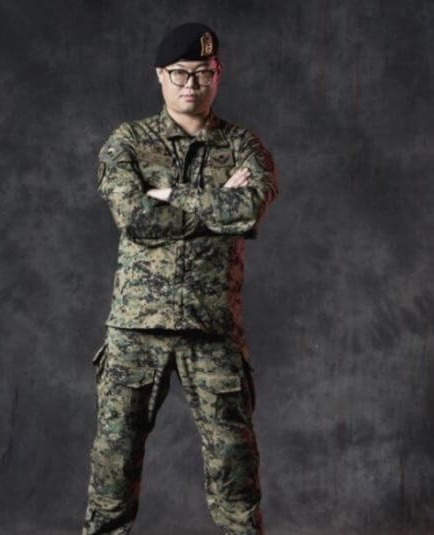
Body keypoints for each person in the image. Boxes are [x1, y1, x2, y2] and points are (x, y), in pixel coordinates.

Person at [82, 21, 279, 535]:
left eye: (203, 73)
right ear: (159, 76)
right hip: (136, 330)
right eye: (180, 73)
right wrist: (216, 203)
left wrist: (172, 195)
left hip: (212, 329)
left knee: (236, 484)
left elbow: (250, 208)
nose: (192, 85)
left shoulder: (242, 145)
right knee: (112, 479)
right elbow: (135, 218)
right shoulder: (127, 143)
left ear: (218, 74)